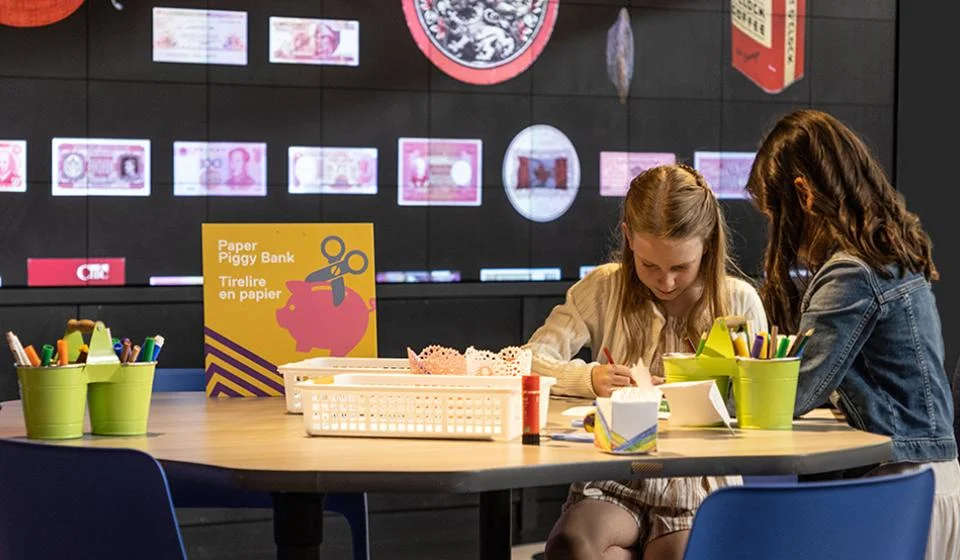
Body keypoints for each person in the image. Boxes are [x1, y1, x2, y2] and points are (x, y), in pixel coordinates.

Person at [745, 109, 960, 560]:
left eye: (774, 215)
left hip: (901, 492)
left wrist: (687, 397)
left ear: (802, 195)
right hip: (925, 484)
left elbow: (794, 390)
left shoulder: (851, 273)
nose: (777, 233)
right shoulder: (887, 254)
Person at [528, 164, 767, 560]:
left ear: (706, 244)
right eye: (650, 265)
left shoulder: (737, 301)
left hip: (699, 480)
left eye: (680, 267)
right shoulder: (604, 287)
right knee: (572, 545)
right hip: (616, 472)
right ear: (628, 238)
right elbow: (531, 359)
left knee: (676, 554)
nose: (666, 281)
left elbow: (756, 412)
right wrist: (592, 377)